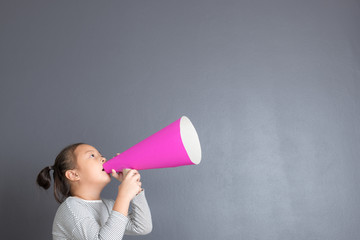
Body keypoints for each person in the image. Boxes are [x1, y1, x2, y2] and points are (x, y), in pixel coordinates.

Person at [36, 142, 152, 240]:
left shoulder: (110, 206)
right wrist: (124, 197)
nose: (103, 158)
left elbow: (142, 227)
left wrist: (134, 190)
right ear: (73, 174)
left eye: (101, 155)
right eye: (92, 155)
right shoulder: (70, 208)